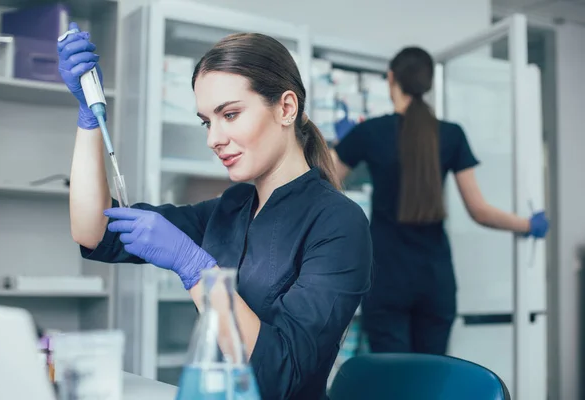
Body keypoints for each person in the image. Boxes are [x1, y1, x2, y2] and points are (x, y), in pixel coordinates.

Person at [57, 22, 372, 400]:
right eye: (207, 121)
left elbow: (278, 376)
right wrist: (89, 117)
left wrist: (196, 269)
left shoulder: (339, 223)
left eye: (231, 114)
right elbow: (94, 230)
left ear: (286, 107)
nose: (213, 139)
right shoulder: (230, 208)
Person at [331, 46, 549, 356]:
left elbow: (322, 180)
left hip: (387, 278)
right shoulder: (451, 135)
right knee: (431, 378)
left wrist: (344, 143)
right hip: (435, 282)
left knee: (392, 383)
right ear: (428, 83)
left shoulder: (371, 132)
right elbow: (480, 211)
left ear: (391, 78)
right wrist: (529, 224)